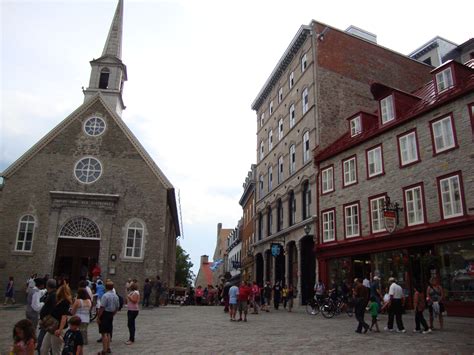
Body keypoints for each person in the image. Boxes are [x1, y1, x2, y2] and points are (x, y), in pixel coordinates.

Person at [41, 284, 72, 355]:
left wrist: (60, 330)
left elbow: (64, 317)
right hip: (52, 327)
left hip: (58, 328)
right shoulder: (58, 301)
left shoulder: (65, 302)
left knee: (56, 351)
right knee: (44, 349)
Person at [97, 281, 120, 355]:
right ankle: (108, 347)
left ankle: (104, 349)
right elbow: (117, 307)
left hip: (105, 314)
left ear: (106, 287)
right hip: (111, 314)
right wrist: (113, 314)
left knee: (104, 333)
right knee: (109, 332)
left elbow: (102, 307)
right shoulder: (115, 296)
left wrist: (98, 317)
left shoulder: (105, 296)